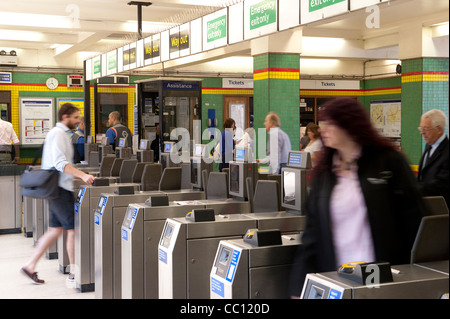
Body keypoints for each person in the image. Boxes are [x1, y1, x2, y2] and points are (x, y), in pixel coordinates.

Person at [289, 98, 428, 297]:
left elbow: (415, 218)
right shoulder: (325, 173)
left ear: (349, 124)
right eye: (323, 124)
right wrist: (298, 287)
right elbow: (312, 233)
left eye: (331, 124)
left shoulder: (387, 162)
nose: (324, 129)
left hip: (380, 274)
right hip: (337, 277)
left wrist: (415, 276)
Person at [21, 103, 96, 285]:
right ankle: (73, 272)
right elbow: (60, 163)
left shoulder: (61, 134)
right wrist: (83, 175)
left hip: (57, 188)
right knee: (71, 229)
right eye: (76, 117)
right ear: (65, 117)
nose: (78, 121)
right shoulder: (58, 134)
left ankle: (30, 266)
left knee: (55, 229)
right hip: (60, 190)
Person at [417, 109, 449, 207]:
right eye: (420, 128)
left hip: (441, 209)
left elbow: (442, 184)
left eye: (425, 129)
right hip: (426, 206)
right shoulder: (429, 146)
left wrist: (414, 189)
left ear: (439, 129)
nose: (422, 132)